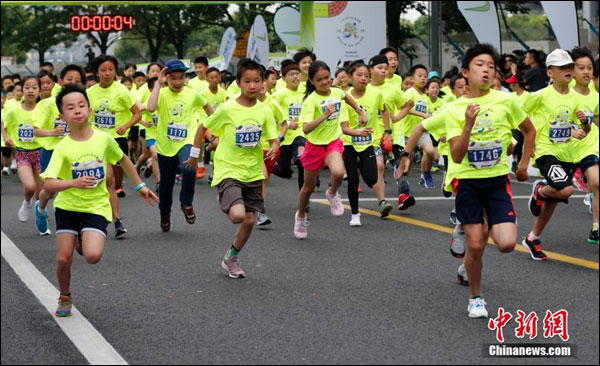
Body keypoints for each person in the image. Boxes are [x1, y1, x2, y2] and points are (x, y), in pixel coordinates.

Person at [40, 83, 157, 317]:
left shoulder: (104, 139)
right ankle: (65, 296)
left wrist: (141, 186)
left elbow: (123, 160)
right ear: (62, 116)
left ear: (90, 110)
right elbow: (49, 183)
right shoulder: (63, 147)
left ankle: (82, 238)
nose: (77, 110)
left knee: (93, 257)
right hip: (68, 206)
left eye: (82, 105)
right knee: (64, 259)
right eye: (70, 108)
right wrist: (73, 183)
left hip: (96, 206)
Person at [446, 43, 535, 317]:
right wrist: (469, 125)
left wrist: (523, 165)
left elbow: (529, 131)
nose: (486, 71)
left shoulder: (506, 100)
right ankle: (476, 297)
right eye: (480, 65)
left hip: (497, 180)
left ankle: (483, 220)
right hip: (468, 182)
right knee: (474, 245)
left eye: (491, 67)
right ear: (465, 72)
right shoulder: (454, 109)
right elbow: (458, 156)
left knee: (507, 243)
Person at [186, 60, 279, 278]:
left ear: (263, 83)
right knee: (238, 215)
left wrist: (274, 146)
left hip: (252, 171)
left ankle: (231, 257)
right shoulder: (228, 108)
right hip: (228, 169)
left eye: (257, 81)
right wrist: (195, 156)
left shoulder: (265, 110)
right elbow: (203, 127)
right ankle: (227, 198)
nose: (253, 86)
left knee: (249, 220)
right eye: (247, 81)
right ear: (238, 83)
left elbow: (274, 138)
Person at [522, 49, 591, 260]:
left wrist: (584, 125)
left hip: (567, 154)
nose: (568, 70)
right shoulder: (541, 96)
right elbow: (518, 117)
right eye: (562, 67)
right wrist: (527, 141)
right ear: (550, 72)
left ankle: (533, 238)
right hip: (546, 152)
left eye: (570, 66)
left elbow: (583, 130)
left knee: (556, 199)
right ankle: (541, 190)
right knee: (566, 190)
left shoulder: (575, 97)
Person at [293, 60, 368, 239]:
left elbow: (346, 96)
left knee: (338, 172)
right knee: (308, 188)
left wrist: (359, 110)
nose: (325, 82)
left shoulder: (335, 91)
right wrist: (324, 115)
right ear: (311, 81)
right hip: (314, 146)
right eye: (320, 80)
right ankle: (301, 216)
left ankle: (332, 192)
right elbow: (306, 128)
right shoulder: (311, 101)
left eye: (327, 77)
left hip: (333, 143)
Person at [147, 59, 214, 232]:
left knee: (189, 169)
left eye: (181, 77)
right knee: (166, 184)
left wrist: (212, 126)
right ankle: (164, 213)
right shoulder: (161, 94)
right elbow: (151, 107)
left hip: (187, 141)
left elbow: (208, 107)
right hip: (165, 144)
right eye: (173, 78)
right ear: (167, 78)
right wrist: (158, 84)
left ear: (185, 77)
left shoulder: (192, 94)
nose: (177, 82)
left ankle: (186, 203)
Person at [87, 55, 142, 237]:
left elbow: (137, 114)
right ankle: (116, 220)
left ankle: (111, 215)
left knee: (114, 182)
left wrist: (125, 126)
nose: (107, 73)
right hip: (96, 140)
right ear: (97, 72)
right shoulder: (90, 92)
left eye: (111, 69)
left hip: (117, 141)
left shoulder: (122, 91)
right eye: (103, 70)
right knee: (107, 180)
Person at [33, 65, 85, 235]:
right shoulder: (47, 104)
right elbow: (34, 130)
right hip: (52, 151)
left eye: (78, 80)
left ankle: (74, 226)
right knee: (49, 191)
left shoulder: (83, 103)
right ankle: (40, 209)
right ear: (61, 81)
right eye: (70, 79)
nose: (73, 83)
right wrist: (53, 132)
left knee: (73, 188)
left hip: (74, 151)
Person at [342, 60, 392, 226]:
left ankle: (364, 167)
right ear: (350, 77)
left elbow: (384, 110)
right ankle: (355, 214)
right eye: (359, 75)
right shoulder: (345, 97)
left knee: (371, 178)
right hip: (349, 142)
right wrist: (356, 132)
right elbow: (343, 126)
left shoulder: (375, 94)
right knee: (353, 181)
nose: (363, 78)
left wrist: (387, 130)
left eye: (367, 76)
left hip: (369, 141)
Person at [369, 55, 414, 211]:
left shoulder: (393, 90)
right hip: (372, 136)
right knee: (379, 166)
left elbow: (401, 110)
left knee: (401, 164)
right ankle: (382, 201)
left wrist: (403, 111)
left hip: (392, 135)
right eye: (379, 68)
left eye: (385, 68)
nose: (383, 71)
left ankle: (403, 195)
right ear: (371, 69)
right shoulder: (366, 89)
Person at [1, 76, 44, 223]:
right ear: (22, 89)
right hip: (22, 154)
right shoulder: (14, 111)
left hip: (40, 153)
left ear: (39, 90)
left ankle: (40, 216)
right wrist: (6, 138)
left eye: (34, 87)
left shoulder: (43, 109)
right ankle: (26, 202)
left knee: (40, 193)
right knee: (30, 187)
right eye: (27, 87)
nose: (30, 91)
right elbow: (4, 125)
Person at [569, 46, 599, 244]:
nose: (586, 72)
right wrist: (572, 131)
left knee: (596, 183)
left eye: (589, 68)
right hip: (568, 148)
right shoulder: (564, 94)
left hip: (591, 145)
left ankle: (596, 226)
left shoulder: (596, 95)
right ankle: (542, 191)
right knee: (558, 192)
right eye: (581, 68)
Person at [271, 62, 307, 192]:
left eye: (297, 74)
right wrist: (285, 122)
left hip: (300, 135)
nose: (295, 77)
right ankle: (272, 167)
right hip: (284, 137)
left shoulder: (304, 92)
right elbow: (268, 113)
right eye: (291, 74)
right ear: (284, 78)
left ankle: (304, 196)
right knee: (284, 170)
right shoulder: (279, 94)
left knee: (303, 163)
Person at [402, 64, 436, 188]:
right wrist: (423, 114)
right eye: (420, 76)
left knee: (430, 151)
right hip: (408, 133)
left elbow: (431, 113)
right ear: (411, 78)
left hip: (422, 132)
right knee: (407, 163)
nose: (423, 78)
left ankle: (426, 174)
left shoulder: (426, 98)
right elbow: (404, 109)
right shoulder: (409, 93)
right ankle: (403, 182)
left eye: (425, 76)